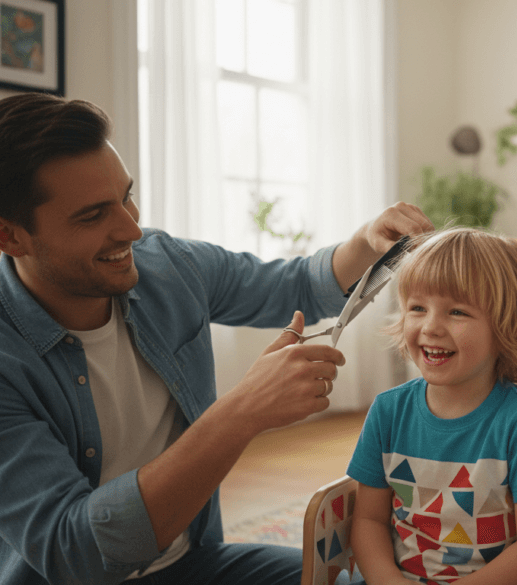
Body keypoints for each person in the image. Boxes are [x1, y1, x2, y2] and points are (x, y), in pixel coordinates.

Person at [0, 92, 432, 585]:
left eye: (125, 197)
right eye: (92, 216)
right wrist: (242, 411)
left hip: (193, 562)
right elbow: (74, 552)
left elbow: (294, 285)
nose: (132, 229)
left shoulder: (168, 265)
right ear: (11, 237)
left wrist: (363, 242)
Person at [346, 228, 517, 585]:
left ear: (505, 327)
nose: (431, 326)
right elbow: (368, 520)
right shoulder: (388, 411)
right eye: (417, 308)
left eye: (457, 312)